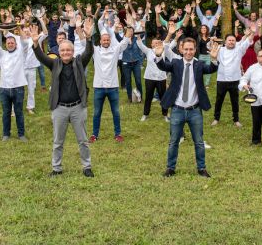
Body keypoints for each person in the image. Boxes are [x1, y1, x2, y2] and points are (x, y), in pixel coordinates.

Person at [32, 20, 96, 177]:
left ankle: (87, 167)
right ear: (59, 52)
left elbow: (89, 52)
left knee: (83, 140)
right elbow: (40, 57)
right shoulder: (54, 64)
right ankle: (56, 169)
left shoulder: (80, 62)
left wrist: (88, 38)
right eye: (63, 50)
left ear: (73, 52)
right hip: (59, 108)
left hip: (78, 108)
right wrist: (35, 43)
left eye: (69, 50)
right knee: (58, 142)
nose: (66, 52)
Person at [154, 37, 219, 177]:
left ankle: (201, 168)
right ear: (181, 49)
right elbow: (163, 66)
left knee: (199, 142)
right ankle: (170, 168)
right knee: (173, 142)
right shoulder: (176, 63)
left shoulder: (199, 64)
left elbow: (211, 69)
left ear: (195, 50)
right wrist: (159, 55)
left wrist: (214, 59)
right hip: (177, 109)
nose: (189, 52)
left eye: (191, 49)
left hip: (195, 110)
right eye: (186, 49)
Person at [90, 12, 131, 143]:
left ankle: (117, 134)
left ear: (109, 40)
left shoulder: (115, 50)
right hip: (99, 87)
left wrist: (129, 27)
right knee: (97, 113)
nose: (106, 41)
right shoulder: (95, 50)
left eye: (108, 40)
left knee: (116, 112)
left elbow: (125, 41)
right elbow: (86, 39)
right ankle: (94, 135)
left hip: (113, 87)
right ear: (100, 41)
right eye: (104, 40)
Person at [0, 25, 33, 141]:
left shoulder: (21, 53)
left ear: (15, 44)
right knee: (6, 113)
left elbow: (25, 41)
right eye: (8, 43)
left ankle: (21, 134)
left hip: (18, 88)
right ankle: (6, 134)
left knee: (19, 112)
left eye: (12, 42)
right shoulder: (2, 54)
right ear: (6, 44)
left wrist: (19, 28)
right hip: (4, 89)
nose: (10, 44)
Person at [211, 31, 252, 127]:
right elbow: (210, 46)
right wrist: (212, 40)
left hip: (235, 80)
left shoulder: (239, 50)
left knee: (235, 101)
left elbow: (247, 42)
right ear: (225, 42)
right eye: (229, 40)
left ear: (235, 42)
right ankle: (216, 118)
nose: (231, 42)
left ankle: (236, 120)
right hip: (222, 79)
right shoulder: (220, 49)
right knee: (219, 100)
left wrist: (252, 33)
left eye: (233, 40)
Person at [136, 36, 168, 121]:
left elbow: (169, 44)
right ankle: (145, 114)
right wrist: (138, 37)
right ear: (151, 44)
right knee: (148, 96)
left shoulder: (163, 50)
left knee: (163, 97)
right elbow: (140, 45)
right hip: (149, 78)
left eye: (157, 43)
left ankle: (165, 114)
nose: (155, 44)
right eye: (154, 43)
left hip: (161, 78)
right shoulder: (148, 51)